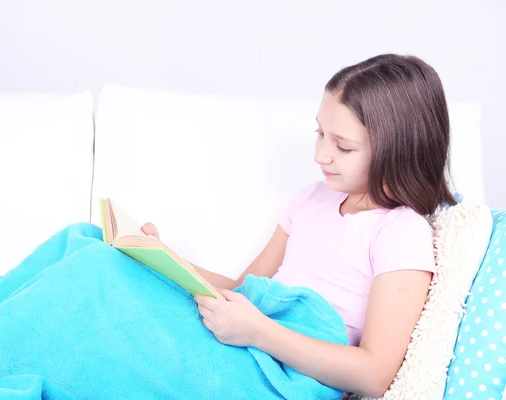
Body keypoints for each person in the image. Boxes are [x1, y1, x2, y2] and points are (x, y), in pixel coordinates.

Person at [141, 54, 456, 398]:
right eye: (320, 132)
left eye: (343, 146)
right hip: (247, 345)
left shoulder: (401, 232)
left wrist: (259, 333)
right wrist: (164, 259)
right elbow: (242, 290)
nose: (321, 155)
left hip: (281, 377)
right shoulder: (309, 200)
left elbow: (375, 374)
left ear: (398, 150)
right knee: (96, 250)